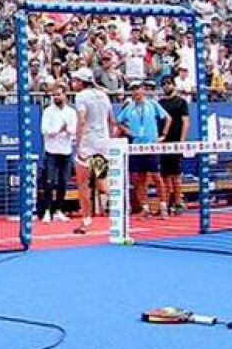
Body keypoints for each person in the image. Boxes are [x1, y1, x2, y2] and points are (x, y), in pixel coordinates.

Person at [116, 80, 170, 217]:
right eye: (133, 89)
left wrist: (163, 135)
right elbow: (118, 121)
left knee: (156, 177)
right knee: (139, 178)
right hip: (136, 146)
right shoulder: (129, 107)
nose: (136, 92)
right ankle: (145, 208)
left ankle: (163, 206)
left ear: (143, 90)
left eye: (138, 89)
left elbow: (167, 118)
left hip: (151, 146)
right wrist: (128, 132)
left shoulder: (152, 104)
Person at [71, 68, 113, 235]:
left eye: (76, 80)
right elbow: (111, 120)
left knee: (83, 183)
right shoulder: (103, 95)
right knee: (102, 182)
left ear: (82, 82)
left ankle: (86, 220)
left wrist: (78, 144)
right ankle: (120, 203)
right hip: (102, 143)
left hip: (88, 143)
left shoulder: (81, 96)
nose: (74, 83)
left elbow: (82, 121)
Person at [38, 82, 77, 223]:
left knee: (63, 182)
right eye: (54, 95)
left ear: (65, 95)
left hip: (66, 152)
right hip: (51, 152)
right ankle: (47, 211)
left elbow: (74, 130)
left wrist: (67, 130)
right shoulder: (48, 111)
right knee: (49, 182)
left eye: (59, 94)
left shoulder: (71, 112)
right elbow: (44, 130)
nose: (56, 97)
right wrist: (58, 130)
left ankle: (58, 210)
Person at [158, 76, 189, 216]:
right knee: (164, 175)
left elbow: (185, 122)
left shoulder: (181, 102)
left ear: (174, 85)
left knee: (176, 175)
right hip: (163, 143)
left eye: (169, 83)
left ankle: (178, 203)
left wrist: (181, 141)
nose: (166, 86)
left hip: (176, 141)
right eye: (164, 84)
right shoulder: (160, 103)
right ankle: (166, 203)